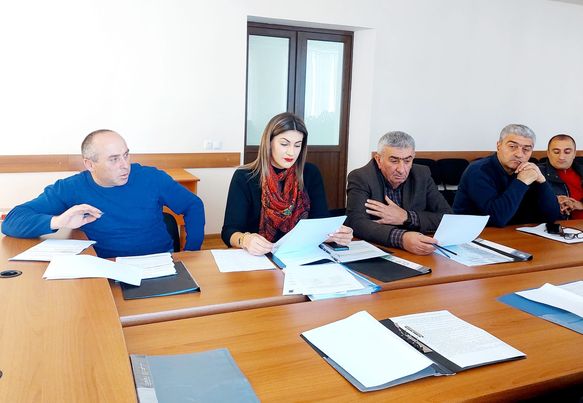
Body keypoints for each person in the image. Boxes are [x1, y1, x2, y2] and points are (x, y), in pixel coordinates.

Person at [2, 129, 205, 258]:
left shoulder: (152, 178)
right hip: (104, 266)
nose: (125, 165)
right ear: (90, 164)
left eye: (126, 155)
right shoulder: (71, 188)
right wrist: (59, 221)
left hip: (158, 261)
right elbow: (12, 221)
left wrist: (191, 253)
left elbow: (193, 205)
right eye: (114, 159)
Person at [221, 112, 352, 255]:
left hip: (300, 254)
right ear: (269, 143)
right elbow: (229, 232)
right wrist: (245, 240)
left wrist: (335, 234)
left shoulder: (310, 173)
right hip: (259, 257)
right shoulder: (244, 176)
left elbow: (320, 222)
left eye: (297, 145)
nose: (291, 152)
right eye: (284, 144)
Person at [346, 131, 451, 255]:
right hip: (380, 249)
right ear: (379, 160)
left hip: (420, 249)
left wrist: (407, 217)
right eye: (394, 161)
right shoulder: (361, 177)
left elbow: (448, 217)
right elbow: (356, 222)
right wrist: (402, 238)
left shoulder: (422, 174)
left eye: (407, 161)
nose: (401, 170)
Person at [453, 124, 561, 226]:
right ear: (498, 146)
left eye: (526, 149)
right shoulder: (478, 171)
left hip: (516, 233)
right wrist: (521, 182)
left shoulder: (528, 170)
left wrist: (542, 181)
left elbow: (553, 216)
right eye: (512, 146)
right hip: (474, 234)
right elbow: (497, 219)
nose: (519, 154)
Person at [539, 134, 583, 219]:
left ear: (574, 153)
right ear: (548, 153)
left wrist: (580, 204)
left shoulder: (581, 169)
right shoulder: (537, 172)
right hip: (558, 224)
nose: (561, 157)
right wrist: (553, 201)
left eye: (567, 152)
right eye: (556, 152)